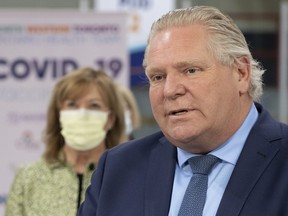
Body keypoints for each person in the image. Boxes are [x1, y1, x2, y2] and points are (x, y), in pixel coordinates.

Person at [78, 6, 288, 216]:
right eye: (158, 77)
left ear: (241, 74)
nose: (170, 90)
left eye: (190, 71)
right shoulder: (117, 169)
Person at [5, 67, 125, 216]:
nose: (82, 114)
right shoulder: (29, 177)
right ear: (59, 114)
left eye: (94, 105)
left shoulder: (126, 178)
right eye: (72, 105)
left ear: (110, 119)